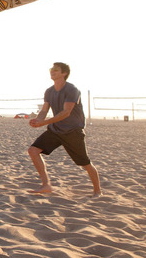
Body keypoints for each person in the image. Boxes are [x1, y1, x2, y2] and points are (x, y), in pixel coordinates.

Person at [28, 62, 102, 197]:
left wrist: (44, 122)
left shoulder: (72, 90)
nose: (52, 72)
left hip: (72, 131)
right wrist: (38, 120)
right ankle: (46, 185)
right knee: (33, 150)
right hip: (55, 131)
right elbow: (44, 110)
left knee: (85, 163)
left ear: (64, 73)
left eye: (56, 70)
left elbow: (66, 112)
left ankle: (97, 190)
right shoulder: (49, 91)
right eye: (51, 70)